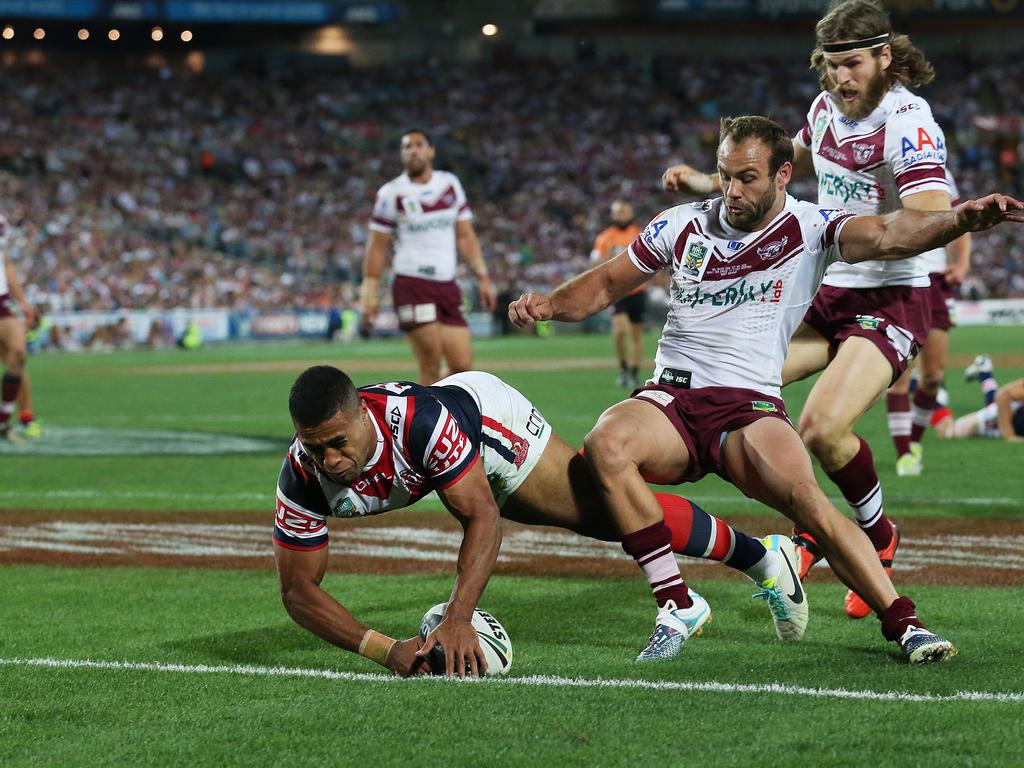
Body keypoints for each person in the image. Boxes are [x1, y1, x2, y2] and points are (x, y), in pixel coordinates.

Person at [509, 115, 1024, 663]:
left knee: (810, 506)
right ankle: (676, 601)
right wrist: (549, 305)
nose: (732, 190)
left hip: (748, 407)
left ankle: (905, 624)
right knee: (607, 446)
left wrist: (960, 220)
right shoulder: (681, 224)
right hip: (673, 400)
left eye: (747, 178)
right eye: (725, 176)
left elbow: (889, 234)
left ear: (783, 175)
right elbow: (608, 283)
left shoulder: (810, 227)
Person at [662, 0, 952, 620]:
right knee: (739, 382)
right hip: (832, 287)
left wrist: (927, 220)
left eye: (852, 64)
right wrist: (709, 182)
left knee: (821, 426)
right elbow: (802, 151)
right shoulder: (826, 109)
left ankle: (873, 536)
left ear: (885, 56)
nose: (840, 78)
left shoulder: (909, 121)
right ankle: (813, 527)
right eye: (831, 65)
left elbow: (928, 213)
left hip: (894, 293)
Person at [275, 365, 808, 677]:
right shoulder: (302, 474)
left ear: (363, 417)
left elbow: (482, 517)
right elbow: (298, 591)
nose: (329, 461)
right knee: (609, 516)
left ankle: (763, 557)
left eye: (338, 443)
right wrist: (385, 649)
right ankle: (764, 557)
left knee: (604, 512)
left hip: (488, 421)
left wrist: (459, 615)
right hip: (452, 441)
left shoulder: (417, 425)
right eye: (315, 448)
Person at [360, 129, 497, 384]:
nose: (413, 150)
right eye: (407, 146)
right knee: (430, 362)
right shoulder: (392, 193)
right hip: (412, 283)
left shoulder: (449, 184)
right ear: (402, 155)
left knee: (462, 366)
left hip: (447, 283)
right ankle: (428, 421)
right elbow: (377, 246)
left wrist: (483, 276)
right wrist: (369, 296)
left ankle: (431, 404)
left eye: (419, 144)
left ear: (431, 151)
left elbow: (466, 235)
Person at [885, 171, 971, 475]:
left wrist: (962, 263)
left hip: (935, 280)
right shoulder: (882, 164)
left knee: (933, 376)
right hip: (897, 277)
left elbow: (962, 218)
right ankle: (904, 454)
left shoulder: (943, 173)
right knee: (901, 375)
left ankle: (916, 441)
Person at [591, 201, 646, 387]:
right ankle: (623, 368)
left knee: (636, 334)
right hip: (617, 291)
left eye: (624, 211)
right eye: (618, 212)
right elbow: (594, 263)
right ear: (613, 215)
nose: (621, 215)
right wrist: (607, 257)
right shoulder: (605, 238)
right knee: (621, 330)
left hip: (637, 290)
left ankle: (634, 372)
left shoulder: (639, 234)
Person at [931, 355, 1024, 442]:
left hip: (1010, 414)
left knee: (994, 404)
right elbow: (1003, 396)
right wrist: (1009, 435)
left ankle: (984, 372)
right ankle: (927, 391)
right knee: (947, 432)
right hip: (999, 418)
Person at [0, 214, 34, 442]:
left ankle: (4, 420)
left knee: (18, 354)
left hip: (1, 302)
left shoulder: (1, 222)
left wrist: (22, 301)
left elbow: (7, 263)